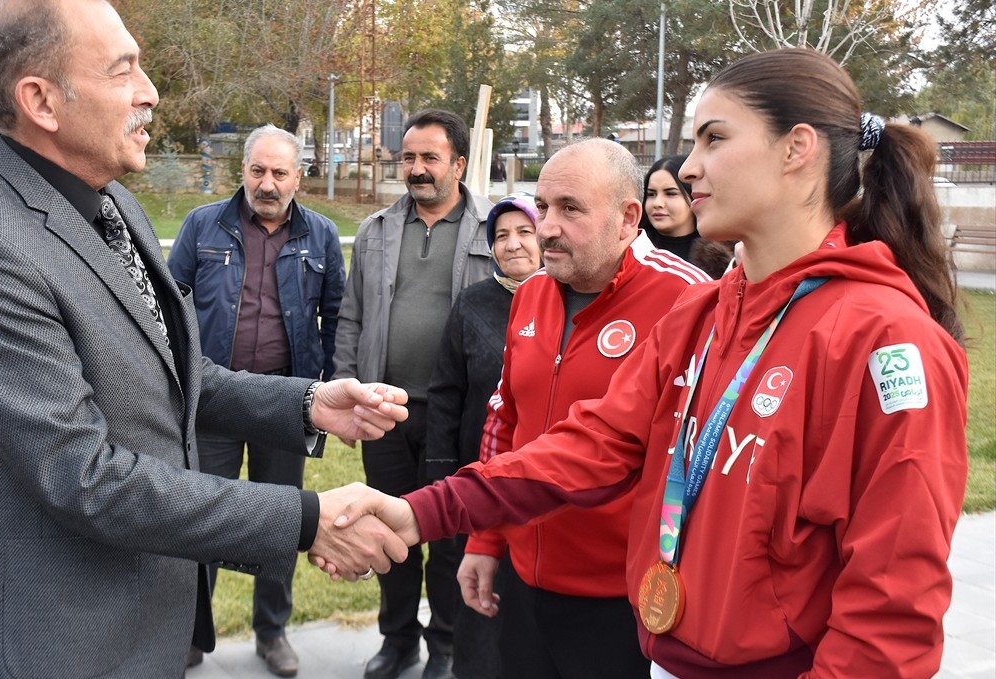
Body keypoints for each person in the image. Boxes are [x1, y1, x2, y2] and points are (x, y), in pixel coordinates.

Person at [329, 48, 969, 679]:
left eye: (714, 139)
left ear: (796, 148)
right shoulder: (703, 318)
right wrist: (421, 513)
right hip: (666, 653)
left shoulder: (886, 341)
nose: (689, 168)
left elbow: (891, 608)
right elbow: (587, 447)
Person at [0, 1, 410, 676]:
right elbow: (86, 478)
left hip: (146, 623)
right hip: (57, 643)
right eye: (125, 71)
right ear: (40, 100)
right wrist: (307, 517)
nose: (151, 93)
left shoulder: (112, 202)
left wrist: (304, 403)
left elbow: (172, 373)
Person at [447, 141, 708, 679]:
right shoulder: (532, 293)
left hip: (628, 600)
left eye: (570, 208)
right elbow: (505, 422)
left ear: (627, 217)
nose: (545, 228)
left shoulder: (688, 299)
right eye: (542, 207)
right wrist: (486, 537)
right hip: (524, 582)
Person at [167, 123, 346, 677]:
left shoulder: (321, 236)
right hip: (214, 399)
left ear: (299, 176)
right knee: (201, 516)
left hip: (285, 403)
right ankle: (192, 634)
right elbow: (169, 305)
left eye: (279, 172)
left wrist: (330, 388)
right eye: (257, 171)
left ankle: (273, 632)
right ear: (242, 171)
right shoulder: (203, 225)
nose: (267, 183)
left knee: (279, 516)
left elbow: (337, 318)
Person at [334, 108, 493, 679]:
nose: (418, 169)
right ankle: (396, 640)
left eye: (430, 158)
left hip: (455, 414)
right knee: (385, 533)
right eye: (409, 158)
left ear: (458, 162)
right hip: (383, 412)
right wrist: (348, 394)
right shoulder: (376, 230)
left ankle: (444, 646)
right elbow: (351, 317)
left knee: (449, 534)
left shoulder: (493, 230)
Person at [422, 192, 541, 678]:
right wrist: (440, 471)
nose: (512, 245)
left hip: (541, 484)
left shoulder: (569, 301)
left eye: (524, 232)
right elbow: (447, 390)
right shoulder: (472, 304)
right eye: (501, 237)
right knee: (472, 582)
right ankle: (454, 657)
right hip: (479, 475)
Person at [639, 155, 733, 279]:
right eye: (651, 194)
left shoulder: (726, 257)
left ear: (694, 196)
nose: (657, 203)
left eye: (671, 193)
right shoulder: (631, 249)